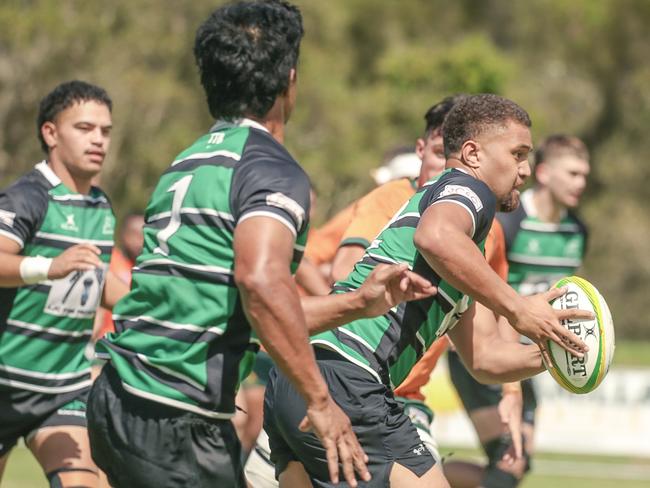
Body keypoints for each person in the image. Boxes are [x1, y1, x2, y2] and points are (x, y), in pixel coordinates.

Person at [86, 3, 435, 488]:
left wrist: (355, 303)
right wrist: (320, 402)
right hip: (174, 415)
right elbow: (261, 285)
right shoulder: (270, 168)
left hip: (120, 394)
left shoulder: (188, 161)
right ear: (290, 79)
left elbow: (246, 306)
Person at [263, 94, 592, 488]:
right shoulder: (469, 191)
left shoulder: (465, 247)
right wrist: (519, 308)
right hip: (348, 378)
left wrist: (560, 353)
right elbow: (434, 236)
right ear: (472, 154)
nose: (524, 170)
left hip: (297, 374)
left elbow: (484, 358)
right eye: (518, 154)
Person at [0, 80, 128, 488]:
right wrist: (48, 266)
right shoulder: (27, 198)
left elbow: (97, 279)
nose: (99, 140)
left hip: (63, 389)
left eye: (105, 131)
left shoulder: (101, 207)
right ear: (50, 133)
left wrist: (157, 312)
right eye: (85, 128)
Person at [444, 134, 590, 488]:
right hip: (486, 351)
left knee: (516, 465)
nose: (580, 183)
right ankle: (400, 475)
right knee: (509, 460)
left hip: (526, 356)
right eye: (572, 173)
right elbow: (481, 286)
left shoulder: (578, 231)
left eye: (584, 175)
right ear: (543, 173)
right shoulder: (510, 222)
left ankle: (407, 474)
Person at [93, 212, 145, 340]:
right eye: (136, 235)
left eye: (144, 236)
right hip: (106, 340)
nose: (140, 241)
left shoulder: (143, 267)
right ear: (124, 235)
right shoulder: (110, 261)